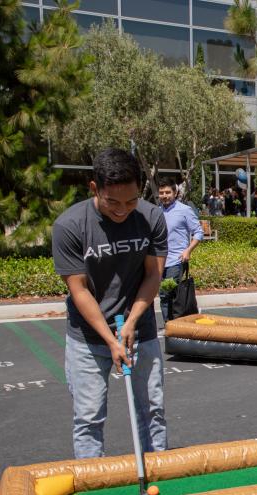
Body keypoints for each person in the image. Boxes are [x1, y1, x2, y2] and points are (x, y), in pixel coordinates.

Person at [51, 148, 168, 458]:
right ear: (94, 188)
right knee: (89, 417)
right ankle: (93, 490)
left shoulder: (151, 217)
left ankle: (159, 478)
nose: (122, 211)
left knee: (152, 410)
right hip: (88, 337)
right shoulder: (70, 226)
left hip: (138, 329)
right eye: (112, 202)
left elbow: (153, 277)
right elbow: (79, 291)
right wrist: (110, 339)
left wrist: (131, 323)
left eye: (130, 202)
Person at [157, 176, 203, 324]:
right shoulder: (156, 212)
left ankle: (172, 324)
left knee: (167, 292)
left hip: (176, 260)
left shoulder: (185, 210)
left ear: (175, 193)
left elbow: (198, 232)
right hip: (159, 262)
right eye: (162, 193)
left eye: (167, 192)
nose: (164, 196)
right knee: (165, 294)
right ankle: (171, 324)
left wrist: (188, 250)